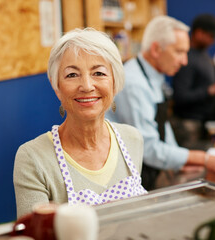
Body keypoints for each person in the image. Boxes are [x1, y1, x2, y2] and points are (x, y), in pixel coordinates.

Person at [13, 28, 147, 218]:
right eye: (72, 75)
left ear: (114, 82)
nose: (86, 86)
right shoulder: (32, 158)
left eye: (98, 73)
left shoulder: (132, 139)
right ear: (56, 86)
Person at [106, 15, 215, 191]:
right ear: (156, 49)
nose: (184, 61)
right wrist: (203, 159)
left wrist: (180, 162)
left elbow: (163, 125)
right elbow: (149, 148)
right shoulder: (134, 84)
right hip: (127, 178)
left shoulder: (154, 75)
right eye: (179, 51)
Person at [172, 14, 215, 149]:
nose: (213, 41)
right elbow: (180, 96)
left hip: (203, 123)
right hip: (188, 126)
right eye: (211, 36)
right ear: (199, 33)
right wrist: (212, 90)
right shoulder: (186, 58)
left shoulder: (203, 55)